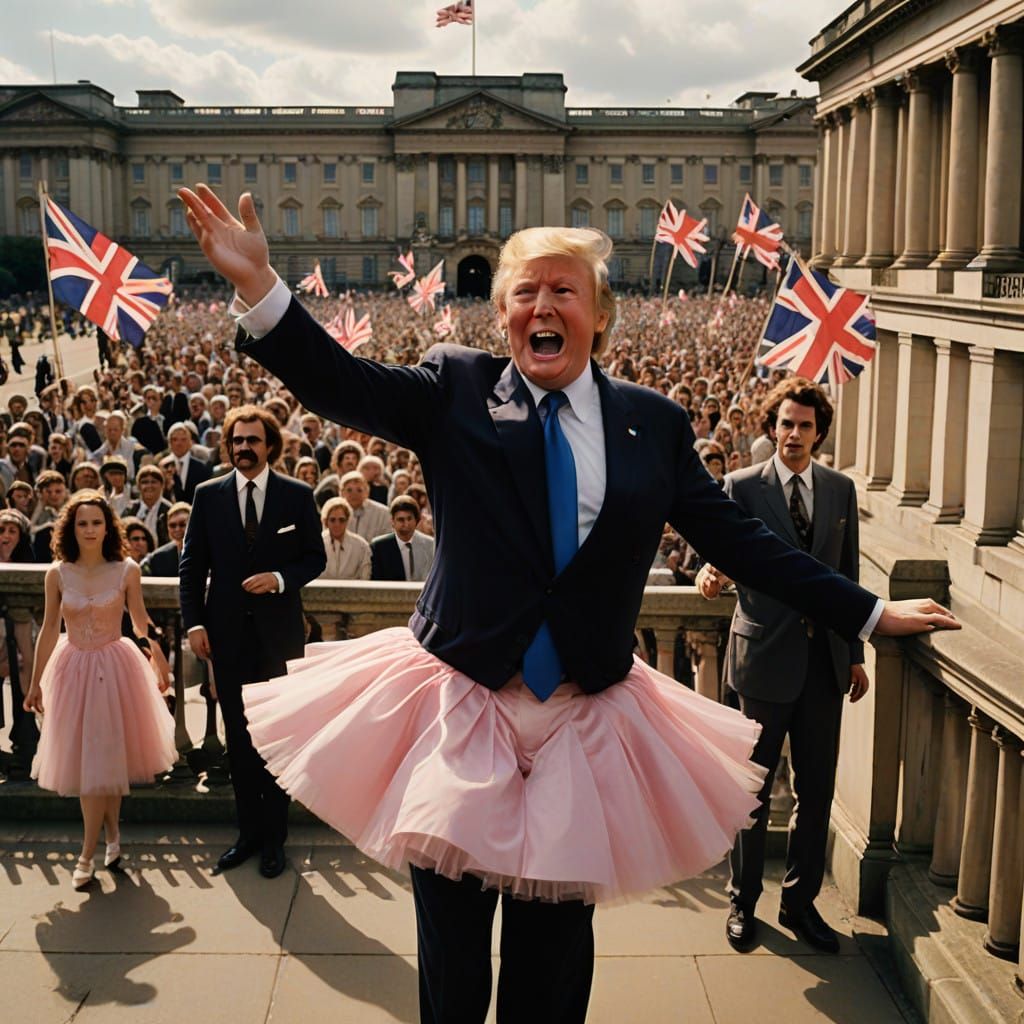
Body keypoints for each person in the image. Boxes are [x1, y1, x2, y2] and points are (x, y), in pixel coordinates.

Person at [180, 183, 959, 1024]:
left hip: (584, 716)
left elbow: (743, 543)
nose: (541, 306)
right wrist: (262, 289)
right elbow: (340, 384)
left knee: (552, 972)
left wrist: (871, 614)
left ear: (599, 313)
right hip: (462, 702)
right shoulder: (456, 387)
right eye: (525, 291)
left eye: (563, 290)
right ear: (502, 314)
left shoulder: (653, 424)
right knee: (452, 964)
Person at [697, 377, 870, 955]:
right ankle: (742, 903)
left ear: (818, 433)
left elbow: (847, 579)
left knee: (815, 790)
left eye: (804, 426)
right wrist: (709, 573)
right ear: (772, 428)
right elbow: (718, 552)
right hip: (762, 663)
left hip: (823, 665)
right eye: (785, 424)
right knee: (751, 788)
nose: (793, 434)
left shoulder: (841, 490)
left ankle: (800, 904)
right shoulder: (741, 486)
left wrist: (855, 654)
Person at [178, 405, 325, 880]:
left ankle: (275, 840)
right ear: (228, 445)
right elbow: (191, 567)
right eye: (236, 440)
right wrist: (194, 625)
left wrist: (280, 579)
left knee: (277, 738)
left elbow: (314, 559)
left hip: (279, 640)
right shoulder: (207, 495)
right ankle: (248, 835)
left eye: (253, 440)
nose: (244, 447)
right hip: (226, 639)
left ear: (270, 446)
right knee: (239, 741)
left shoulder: (297, 495)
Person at [22, 491, 176, 889]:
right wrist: (35, 682)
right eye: (82, 523)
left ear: (108, 526)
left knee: (105, 760)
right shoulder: (57, 573)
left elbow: (140, 621)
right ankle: (111, 839)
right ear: (70, 529)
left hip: (116, 667)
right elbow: (48, 630)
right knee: (93, 765)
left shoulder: (127, 569)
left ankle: (86, 855)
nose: (90, 530)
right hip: (73, 668)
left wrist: (158, 657)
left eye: (96, 522)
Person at [370, 495, 435, 582]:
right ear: (392, 522)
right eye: (401, 519)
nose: (406, 524)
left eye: (409, 519)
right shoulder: (379, 547)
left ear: (416, 520)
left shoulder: (430, 544)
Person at [318, 496, 371, 581]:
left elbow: (365, 576)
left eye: (341, 520)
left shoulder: (361, 546)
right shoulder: (316, 543)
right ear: (325, 521)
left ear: (348, 521)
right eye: (332, 520)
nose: (337, 524)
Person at [141, 502, 190, 577]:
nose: (177, 529)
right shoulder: (157, 557)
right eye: (172, 525)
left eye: (182, 524)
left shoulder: (209, 551)